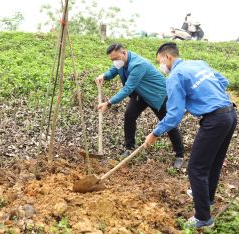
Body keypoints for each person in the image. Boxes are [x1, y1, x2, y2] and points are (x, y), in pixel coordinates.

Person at [145, 42, 237, 229]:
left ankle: (203, 218)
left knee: (196, 168)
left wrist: (155, 133)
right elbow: (223, 81)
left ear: (167, 57)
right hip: (230, 114)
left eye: (159, 62)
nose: (160, 66)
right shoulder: (198, 63)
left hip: (214, 121)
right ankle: (208, 199)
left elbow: (173, 116)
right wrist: (200, 97)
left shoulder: (174, 77)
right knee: (213, 162)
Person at [96, 43, 184, 168]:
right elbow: (115, 69)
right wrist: (104, 75)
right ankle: (129, 148)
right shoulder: (121, 61)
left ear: (124, 53)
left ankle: (179, 155)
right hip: (140, 94)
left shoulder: (138, 65)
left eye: (116, 58)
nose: (115, 61)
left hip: (157, 95)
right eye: (112, 60)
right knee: (129, 116)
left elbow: (128, 88)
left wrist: (109, 103)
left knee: (168, 123)